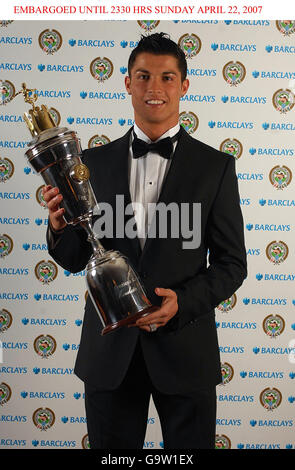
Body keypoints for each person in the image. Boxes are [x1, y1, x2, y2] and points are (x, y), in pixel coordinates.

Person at [44, 32, 247, 449]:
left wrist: (182, 303)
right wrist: (60, 226)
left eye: (167, 77)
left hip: (185, 351)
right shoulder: (89, 165)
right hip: (110, 354)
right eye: (143, 76)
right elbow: (73, 257)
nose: (155, 88)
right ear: (127, 83)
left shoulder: (216, 167)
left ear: (184, 86)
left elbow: (232, 264)